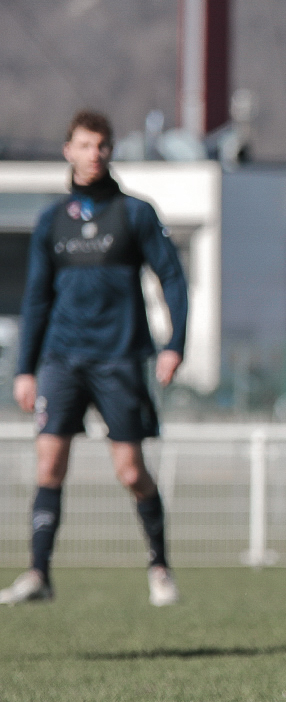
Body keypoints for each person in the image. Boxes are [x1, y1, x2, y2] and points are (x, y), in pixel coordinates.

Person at [4, 111, 188, 608]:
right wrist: (25, 368)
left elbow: (171, 277)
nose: (94, 154)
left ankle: (159, 566)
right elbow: (37, 297)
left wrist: (176, 344)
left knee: (130, 470)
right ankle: (39, 573)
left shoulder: (134, 214)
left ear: (110, 152)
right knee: (49, 462)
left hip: (120, 358)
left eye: (102, 146)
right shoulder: (52, 220)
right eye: (85, 145)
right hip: (62, 359)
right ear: (68, 150)